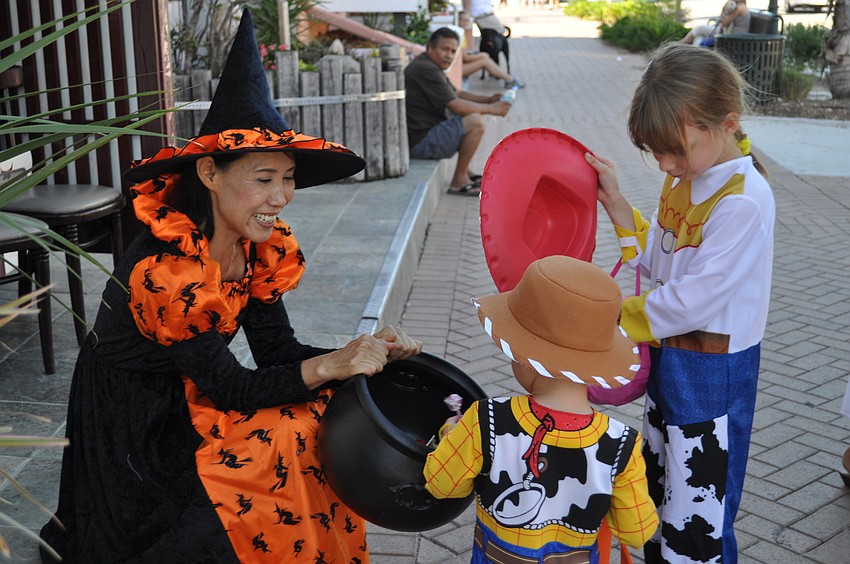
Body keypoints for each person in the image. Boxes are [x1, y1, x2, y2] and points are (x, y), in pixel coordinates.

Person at [39, 10, 422, 564]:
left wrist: (368, 357)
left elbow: (278, 353)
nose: (280, 197)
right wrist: (331, 366)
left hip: (197, 387)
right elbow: (232, 389)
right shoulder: (165, 269)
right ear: (210, 175)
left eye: (287, 178)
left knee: (315, 416)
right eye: (263, 179)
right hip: (134, 421)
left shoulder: (259, 249)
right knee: (261, 466)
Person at [585, 43, 775, 563]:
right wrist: (619, 203)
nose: (666, 164)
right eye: (655, 151)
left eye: (676, 149)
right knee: (660, 483)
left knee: (699, 512)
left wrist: (607, 321)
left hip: (713, 370)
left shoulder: (744, 201)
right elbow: (661, 253)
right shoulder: (686, 177)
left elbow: (693, 299)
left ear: (726, 123)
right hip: (672, 355)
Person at [424, 255, 659, 562]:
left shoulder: (486, 419)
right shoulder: (622, 445)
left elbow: (442, 485)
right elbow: (637, 533)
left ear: (526, 356)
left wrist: (450, 437)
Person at [404, 27, 511, 197]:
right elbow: (457, 106)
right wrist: (492, 109)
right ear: (430, 48)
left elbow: (457, 93)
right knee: (474, 121)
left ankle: (465, 171)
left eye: (453, 51)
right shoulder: (425, 69)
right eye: (444, 49)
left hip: (424, 135)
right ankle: (458, 180)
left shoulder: (430, 64)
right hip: (419, 142)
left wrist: (488, 99)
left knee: (469, 117)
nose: (449, 55)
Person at [459, 11, 525, 89]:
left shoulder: (461, 32)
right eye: (463, 20)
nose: (466, 22)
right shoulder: (458, 33)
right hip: (459, 68)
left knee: (485, 58)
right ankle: (509, 79)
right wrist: (482, 55)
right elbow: (465, 57)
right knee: (485, 59)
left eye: (468, 20)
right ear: (458, 20)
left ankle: (506, 77)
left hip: (461, 65)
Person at [681, 0, 750, 47]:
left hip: (733, 36)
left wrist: (724, 10)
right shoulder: (741, 6)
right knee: (699, 37)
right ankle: (685, 48)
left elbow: (724, 23)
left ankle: (681, 44)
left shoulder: (739, 8)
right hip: (730, 33)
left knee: (700, 29)